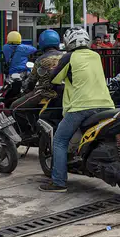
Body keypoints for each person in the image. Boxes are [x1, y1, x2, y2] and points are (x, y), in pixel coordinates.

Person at [39, 28, 115, 193]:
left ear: (68, 42)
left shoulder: (69, 57)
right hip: (106, 105)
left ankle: (58, 182)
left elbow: (54, 78)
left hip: (81, 107)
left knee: (59, 140)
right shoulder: (96, 56)